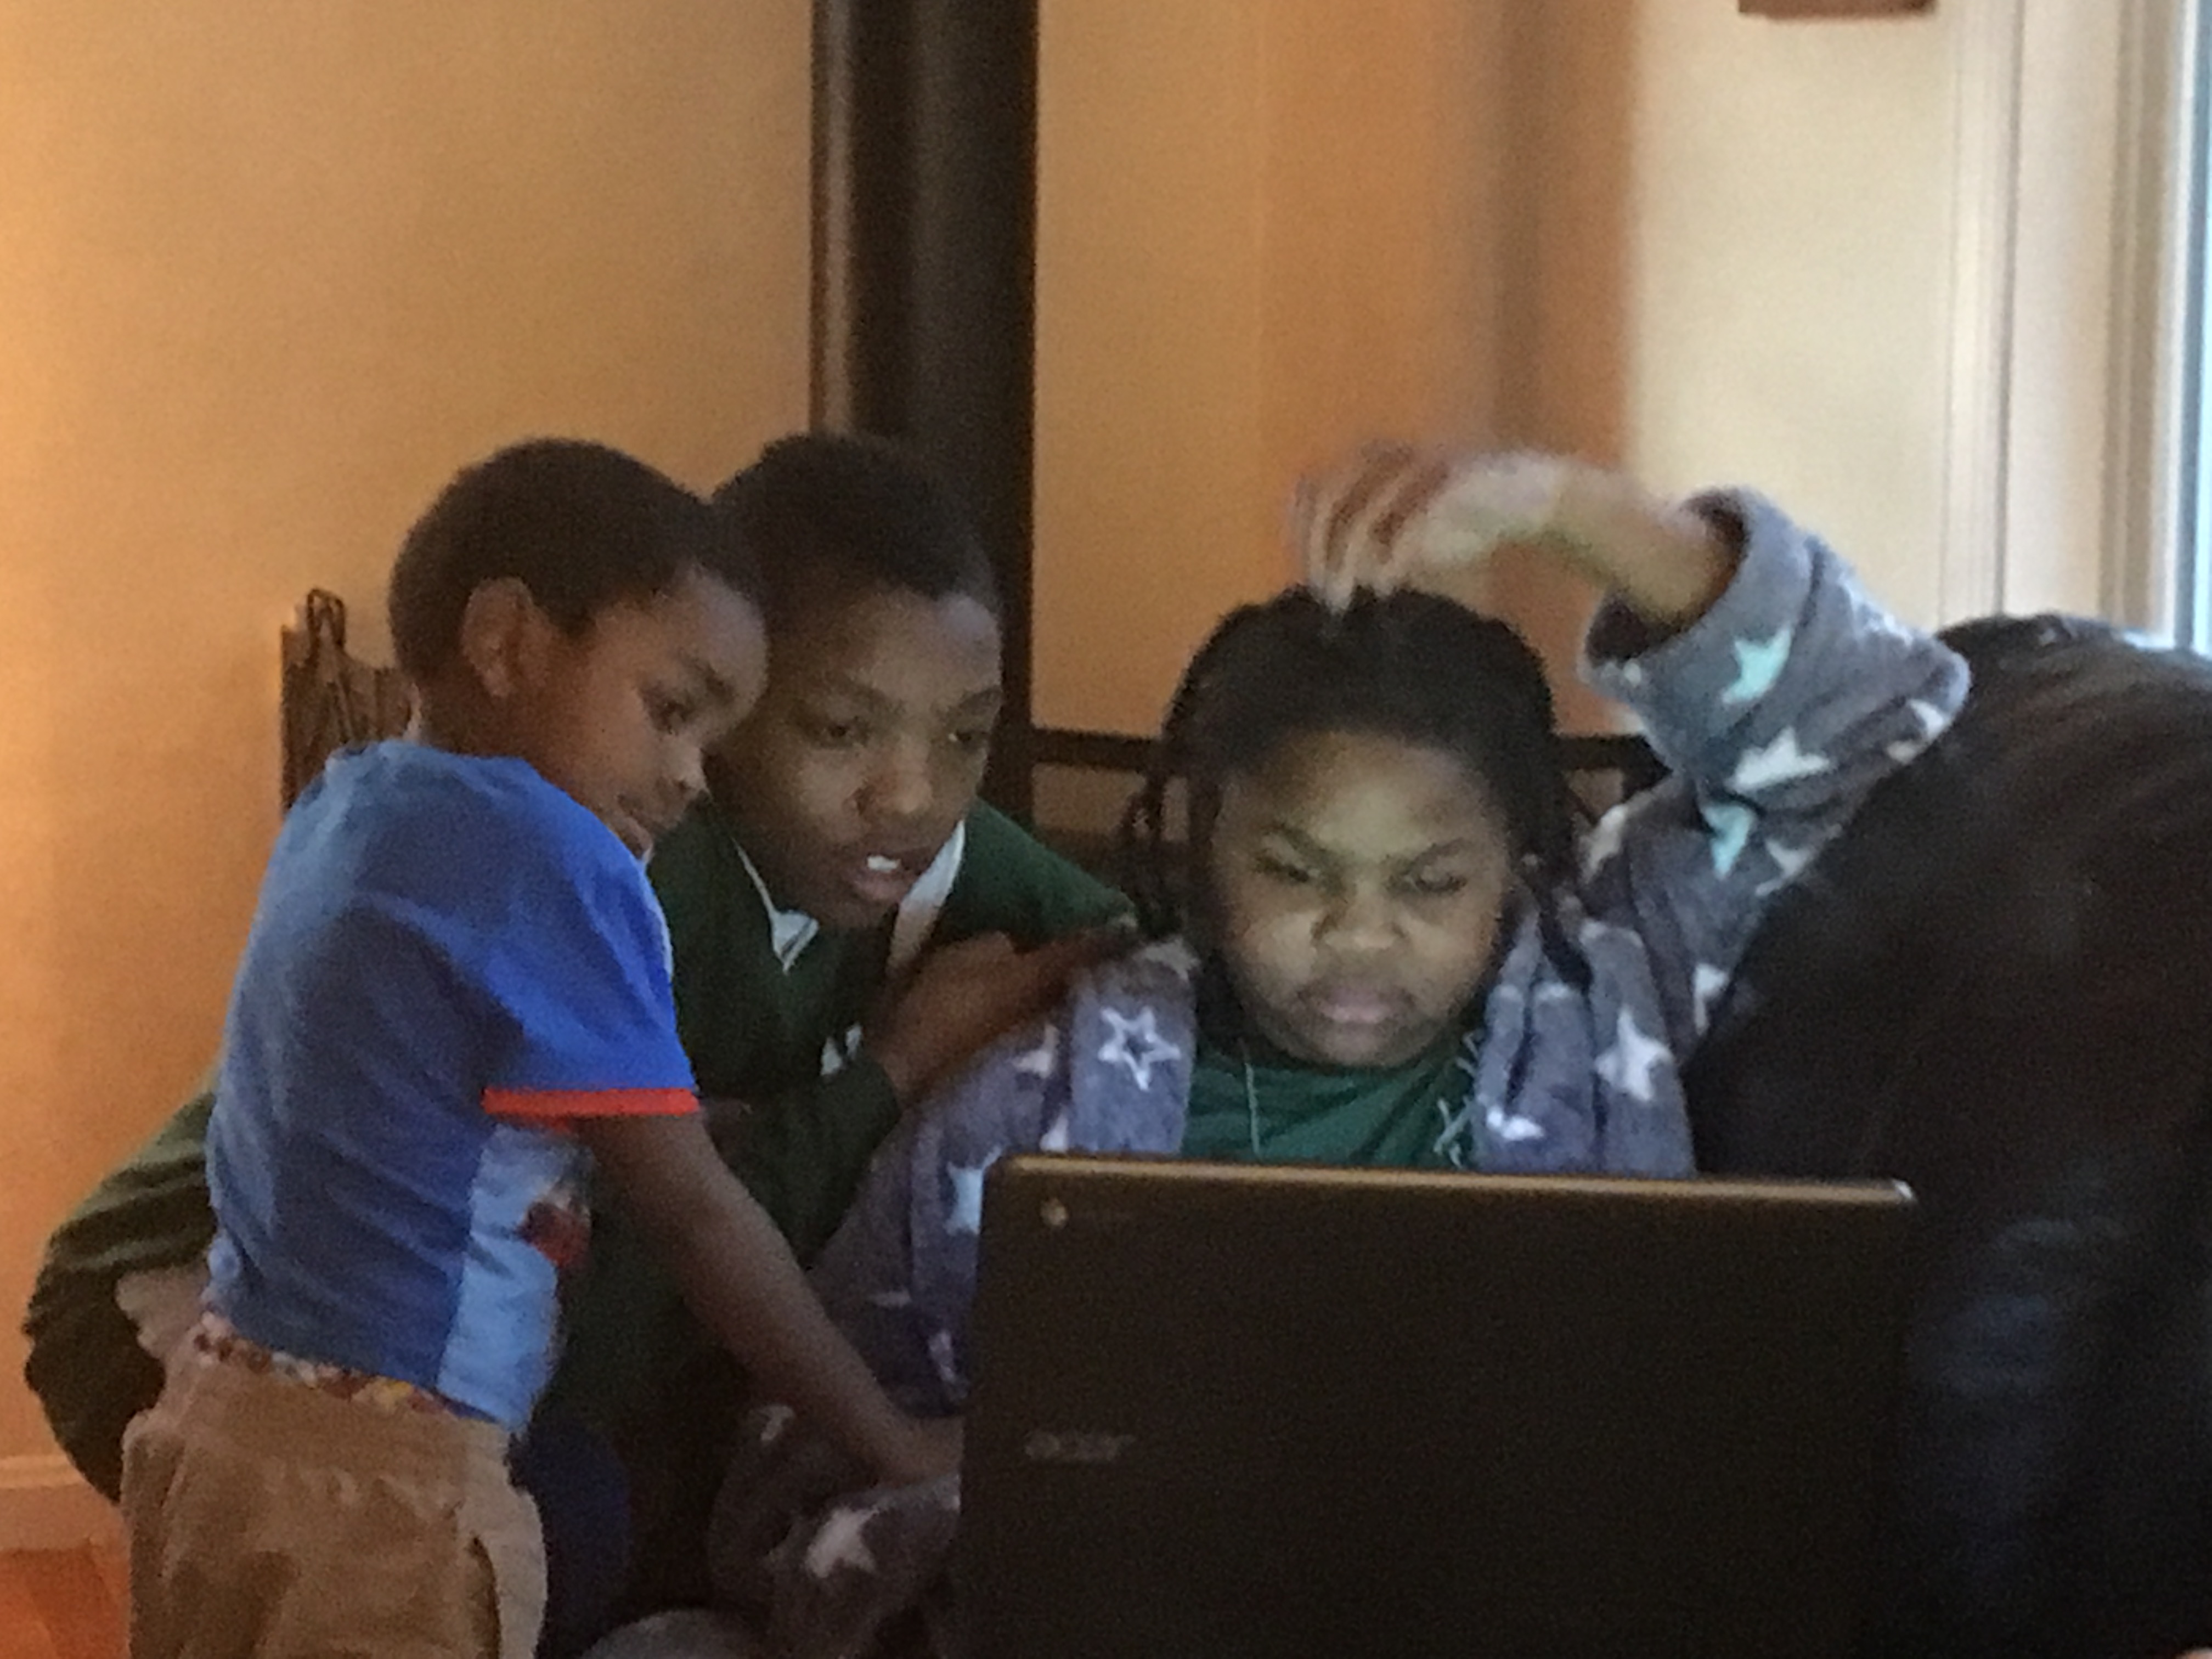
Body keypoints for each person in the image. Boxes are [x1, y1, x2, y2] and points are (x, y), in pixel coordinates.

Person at [695, 444, 1973, 1655]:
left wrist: (1568, 510)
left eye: (1431, 882)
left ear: (1516, 870)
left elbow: (1873, 722)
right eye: (1296, 872)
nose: (1360, 936)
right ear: (1205, 852)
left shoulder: (1605, 986)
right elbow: (797, 1482)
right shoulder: (1031, 1108)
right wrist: (1037, 1531)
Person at [22, 431, 1123, 1645]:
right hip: (197, 1313)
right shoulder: (593, 859)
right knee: (528, 1531)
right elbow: (674, 1235)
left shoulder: (382, 790)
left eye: (966, 738)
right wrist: (893, 1078)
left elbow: (1135, 942)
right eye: (837, 729)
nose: (912, 796)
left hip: (269, 1387)